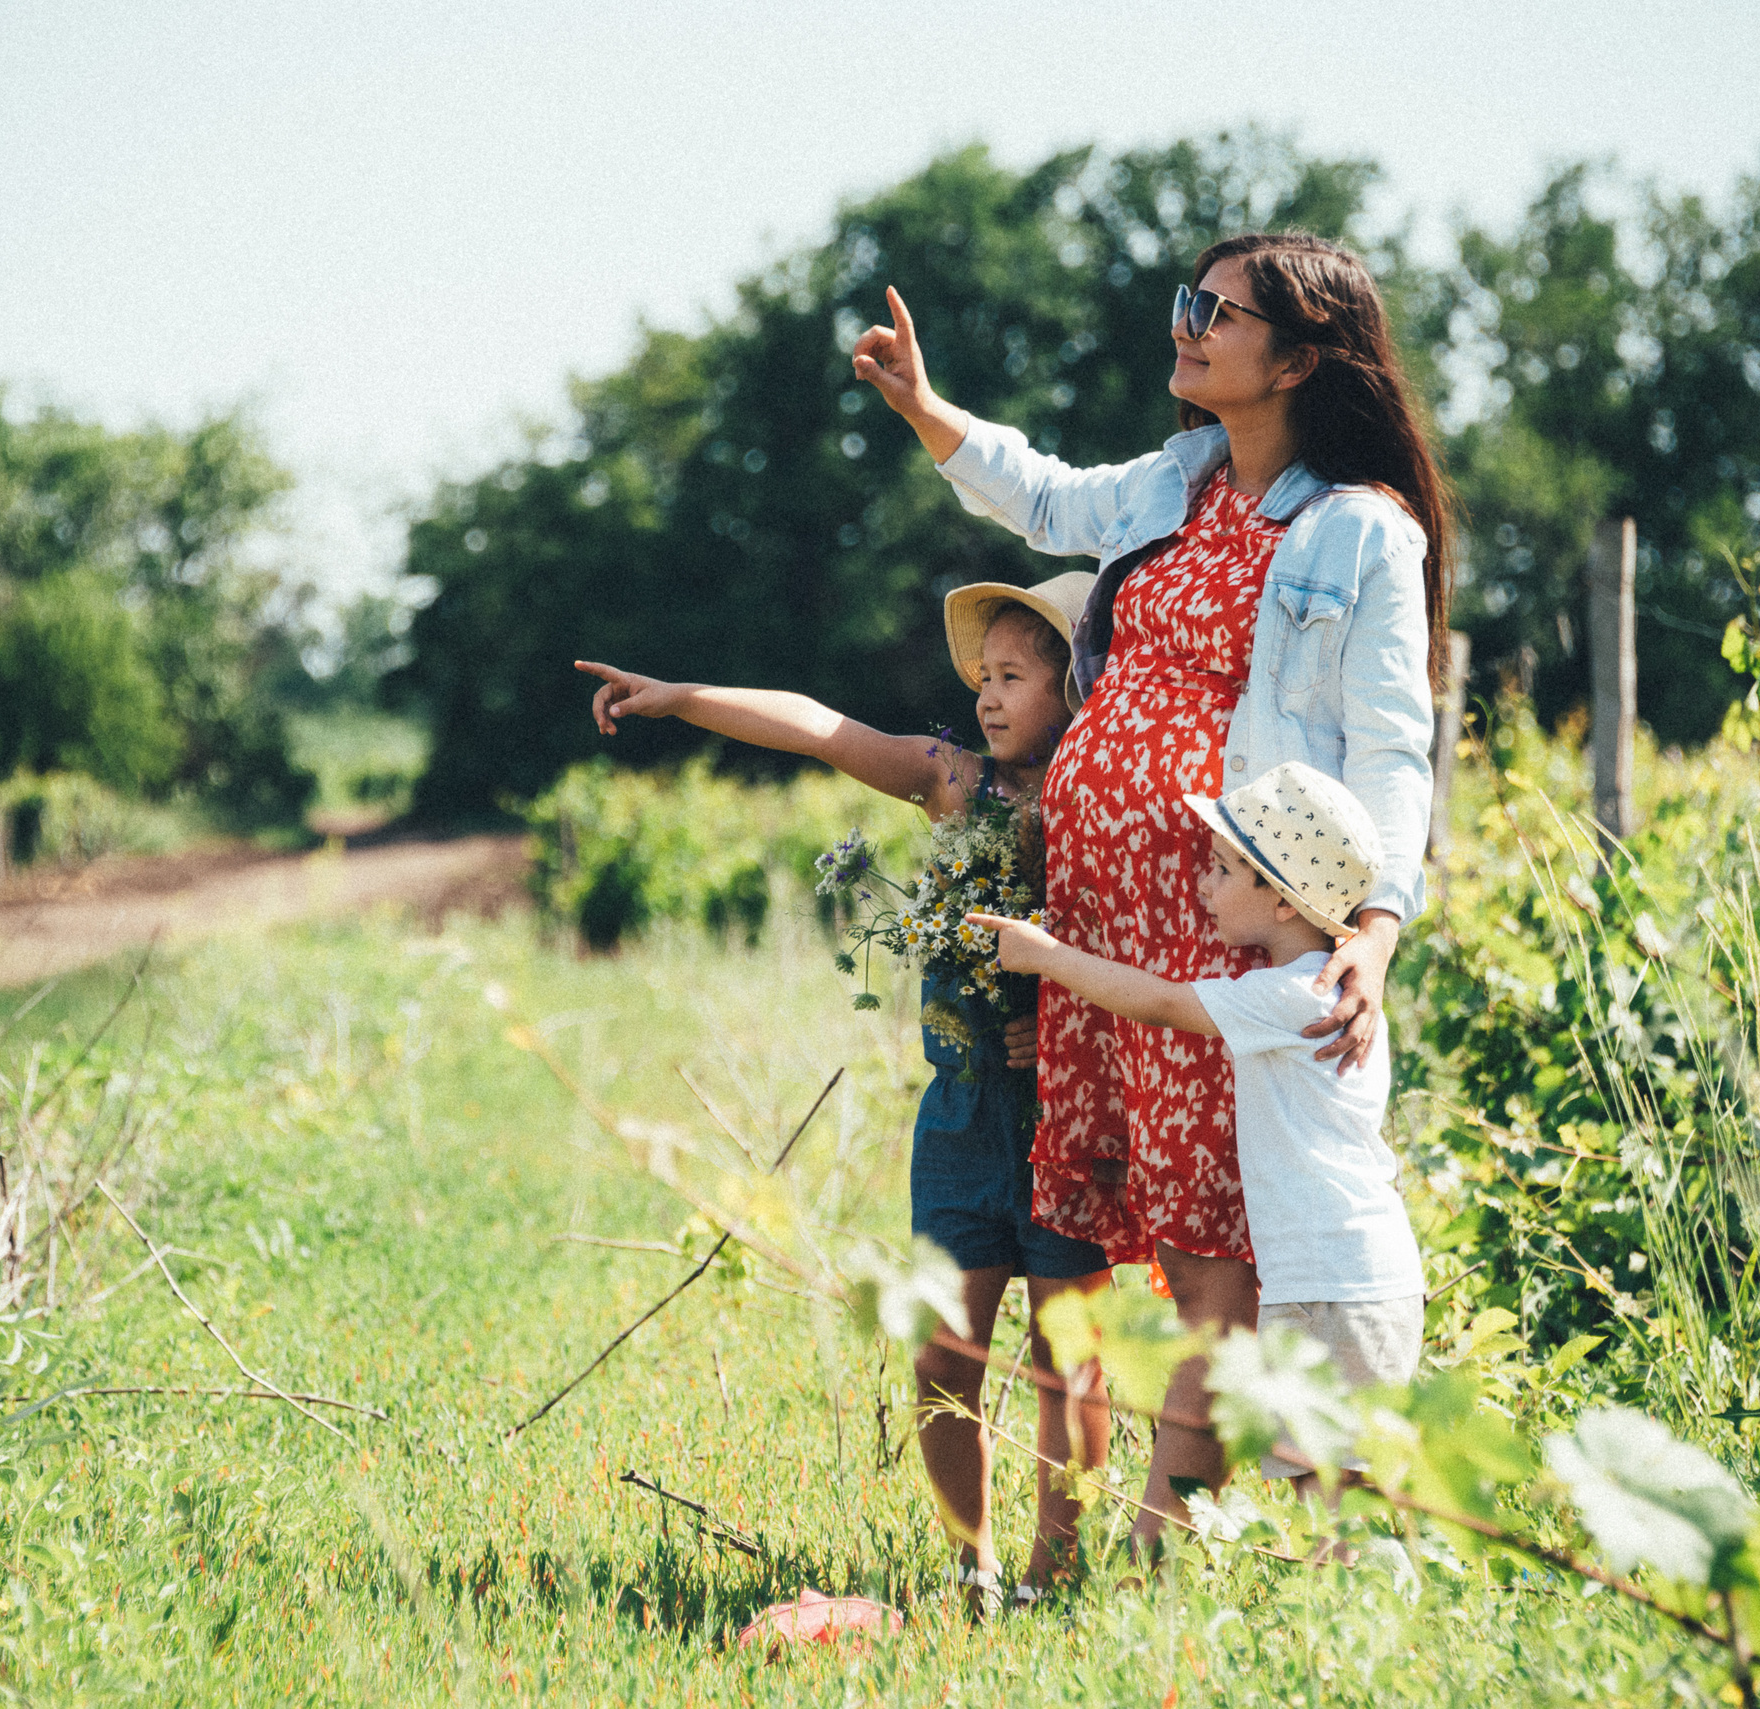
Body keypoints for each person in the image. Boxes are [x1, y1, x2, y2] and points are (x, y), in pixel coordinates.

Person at [851, 231, 1448, 1552]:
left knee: (1211, 1249)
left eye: (1217, 313)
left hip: (1216, 918)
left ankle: (1163, 1536)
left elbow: (1394, 745)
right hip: (1106, 917)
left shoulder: (1358, 531)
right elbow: (1048, 501)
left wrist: (1379, 927)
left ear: (1297, 358)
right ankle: (1135, 1532)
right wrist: (926, 410)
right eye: (1190, 301)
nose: (1186, 326)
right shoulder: (1179, 482)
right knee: (1161, 1237)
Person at [573, 572, 1112, 1609]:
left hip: (1067, 1118)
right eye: (982, 676)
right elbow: (822, 727)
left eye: (1014, 675)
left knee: (1068, 1360)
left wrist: (1057, 1023)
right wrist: (682, 696)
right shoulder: (954, 780)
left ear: (1077, 680)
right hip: (959, 1119)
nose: (989, 696)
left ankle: (1058, 1565)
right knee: (943, 1354)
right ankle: (976, 1562)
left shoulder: (1105, 799)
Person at [972, 762, 1424, 1514]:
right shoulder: (1334, 992)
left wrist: (1045, 955)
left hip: (1329, 1281)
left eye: (1221, 869)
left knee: (1336, 1491)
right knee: (1337, 1488)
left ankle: (1376, 1622)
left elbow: (1156, 1001)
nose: (1203, 887)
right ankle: (1357, 1624)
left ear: (1281, 898)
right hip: (1354, 1274)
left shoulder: (1291, 995)